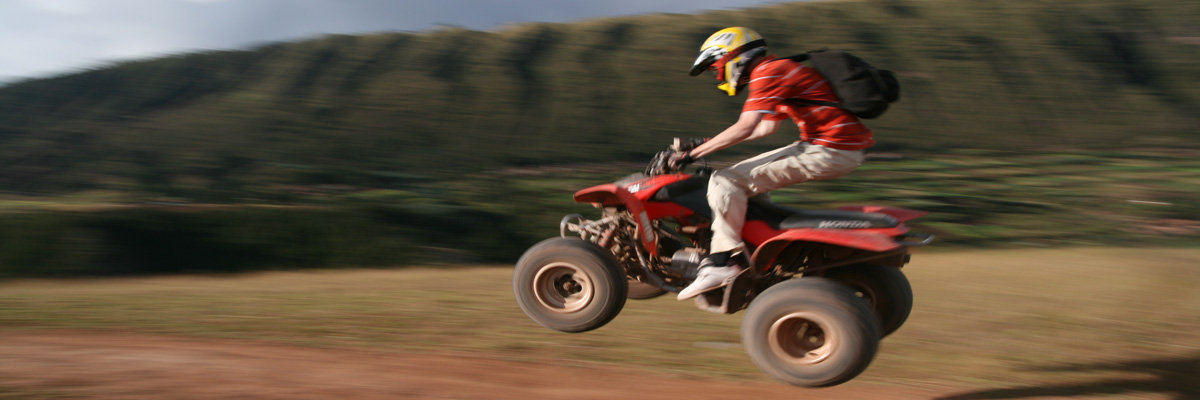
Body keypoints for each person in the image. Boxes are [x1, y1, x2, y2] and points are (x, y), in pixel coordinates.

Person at [673, 27, 875, 300]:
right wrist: (702, 144)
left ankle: (722, 263)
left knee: (724, 180)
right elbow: (764, 128)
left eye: (714, 68)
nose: (717, 75)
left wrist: (690, 156)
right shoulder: (778, 69)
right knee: (739, 180)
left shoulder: (769, 72)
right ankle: (755, 245)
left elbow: (746, 127)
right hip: (835, 147)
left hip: (830, 149)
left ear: (729, 56)